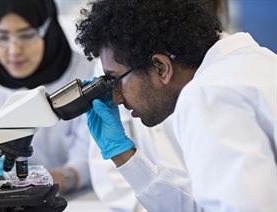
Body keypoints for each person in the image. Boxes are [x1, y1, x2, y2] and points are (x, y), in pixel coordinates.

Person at [75, 0, 277, 211]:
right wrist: (124, 155)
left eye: (115, 80)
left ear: (161, 67)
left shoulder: (209, 94)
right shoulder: (249, 62)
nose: (116, 98)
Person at [0, 0, 95, 193]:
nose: (13, 51)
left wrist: (54, 179)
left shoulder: (86, 73)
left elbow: (89, 157)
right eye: (1, 37)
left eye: (26, 36)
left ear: (48, 29)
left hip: (79, 195)